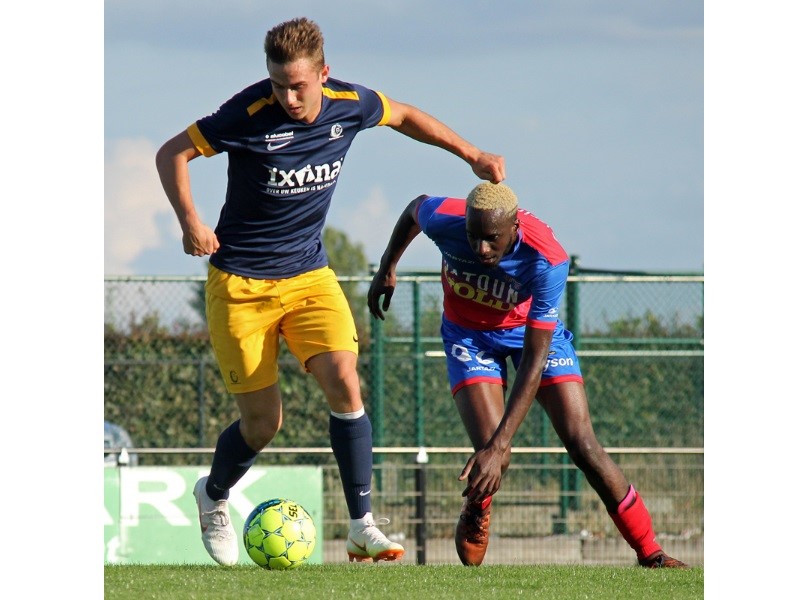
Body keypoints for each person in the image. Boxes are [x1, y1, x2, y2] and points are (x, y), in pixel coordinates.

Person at [155, 17, 505, 566]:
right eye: (277, 85)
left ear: (324, 74)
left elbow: (406, 115)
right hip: (240, 283)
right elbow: (171, 153)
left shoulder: (350, 104)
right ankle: (214, 493)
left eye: (298, 85)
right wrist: (190, 222)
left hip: (310, 276)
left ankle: (362, 524)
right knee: (263, 423)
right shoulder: (244, 116)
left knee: (345, 376)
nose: (288, 97)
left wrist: (472, 154)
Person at [367, 182, 688, 569]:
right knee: (491, 455)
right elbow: (414, 208)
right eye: (473, 237)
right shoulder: (445, 219)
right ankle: (478, 507)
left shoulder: (547, 258)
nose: (481, 249)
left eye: (492, 239)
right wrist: (387, 266)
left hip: (530, 337)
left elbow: (534, 361)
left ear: (514, 226)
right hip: (468, 337)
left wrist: (503, 444)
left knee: (582, 443)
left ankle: (650, 552)